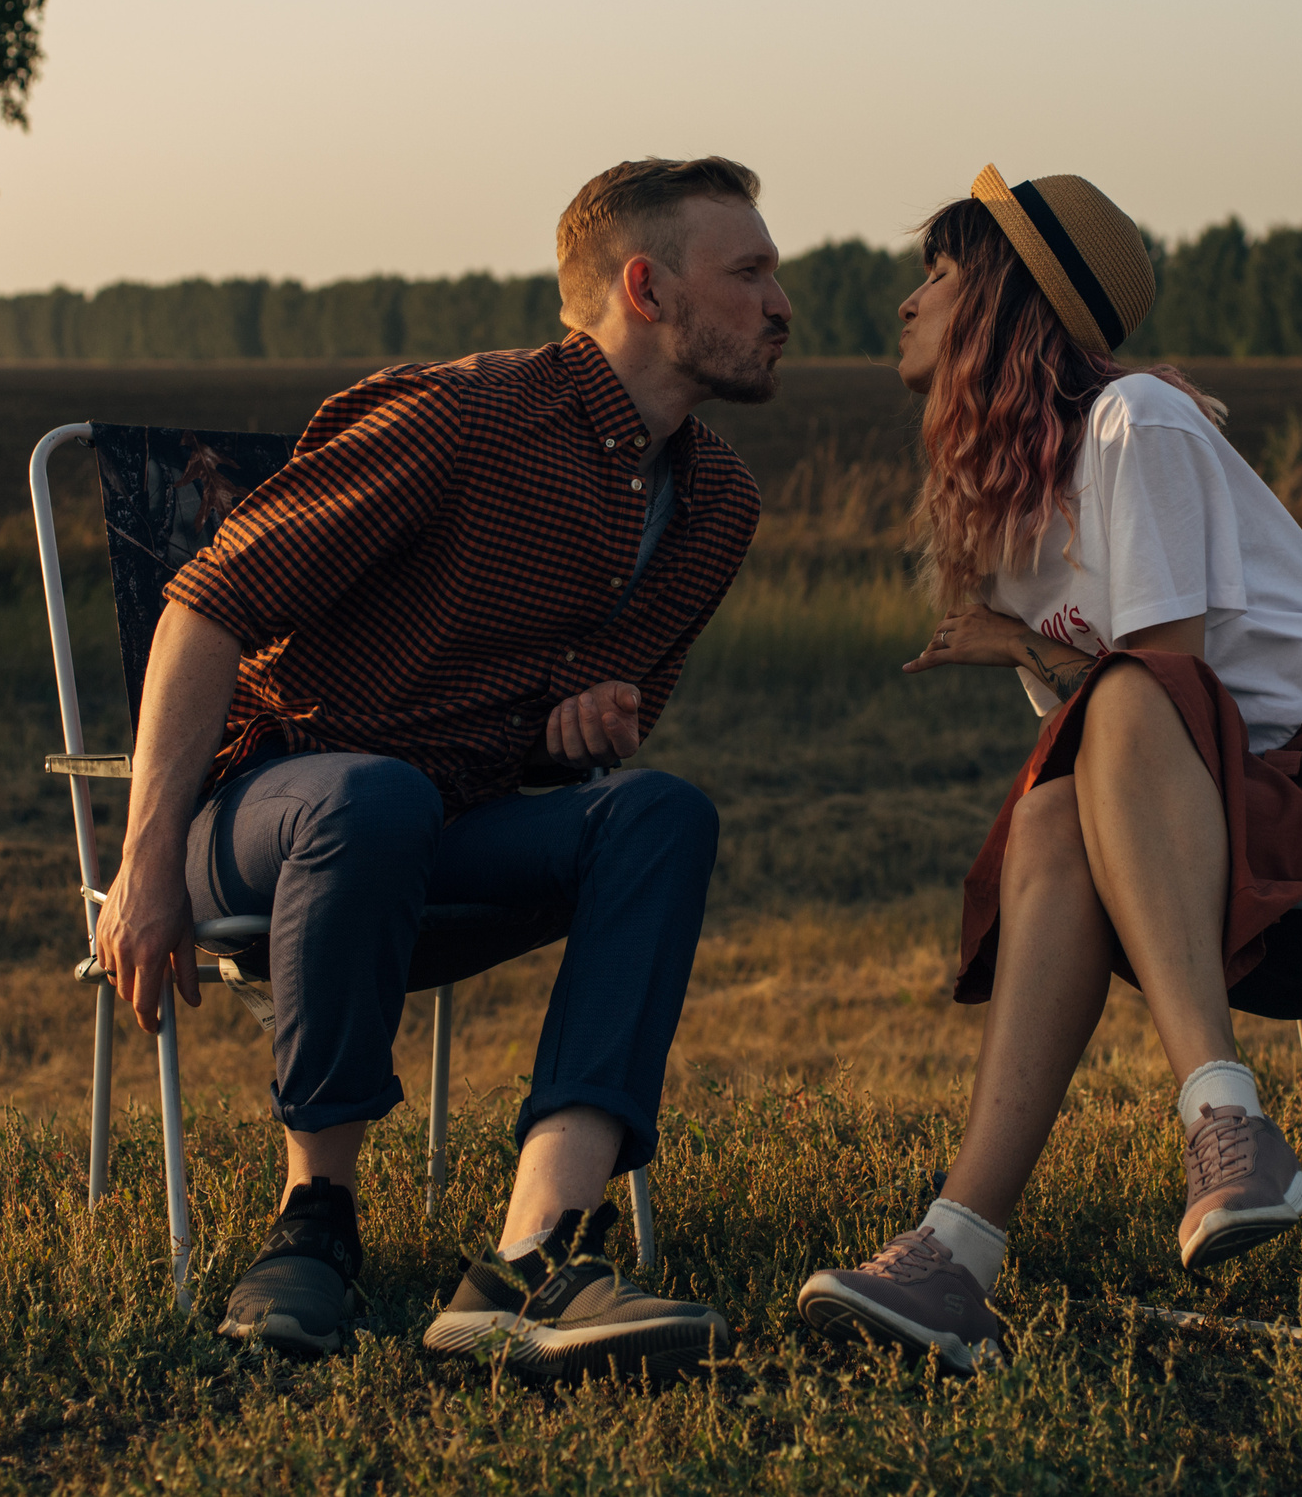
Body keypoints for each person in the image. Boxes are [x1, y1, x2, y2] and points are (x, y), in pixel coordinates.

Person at [92, 155, 789, 1379]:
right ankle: (315, 1221)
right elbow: (203, 605)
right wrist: (146, 864)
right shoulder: (465, 420)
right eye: (751, 272)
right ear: (645, 287)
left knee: (660, 815)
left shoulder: (717, 500)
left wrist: (577, 731)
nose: (782, 303)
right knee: (374, 792)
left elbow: (563, 732)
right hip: (264, 811)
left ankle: (530, 1260)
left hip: (441, 831)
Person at [793, 166, 1302, 1374]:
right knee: (1058, 811)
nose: (907, 302)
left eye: (940, 275)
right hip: (1220, 823)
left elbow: (1159, 686)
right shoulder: (1016, 492)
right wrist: (1013, 638)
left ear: (1006, 300)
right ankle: (958, 1252)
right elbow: (1119, 727)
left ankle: (1222, 1117)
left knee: (1105, 729)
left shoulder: (1136, 427)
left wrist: (1034, 656)